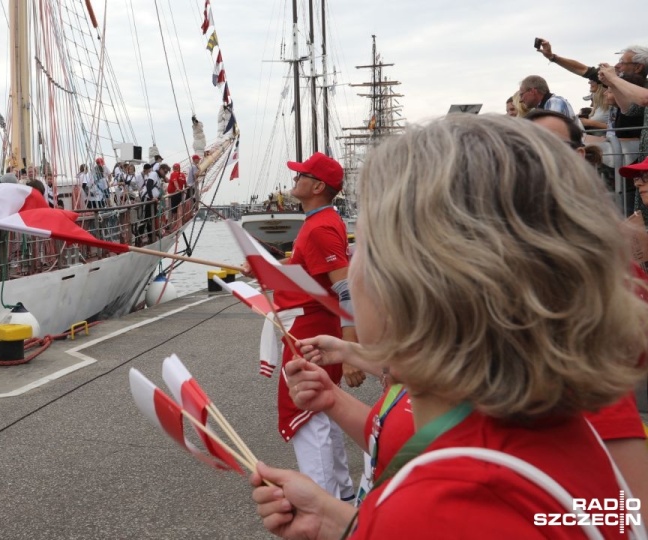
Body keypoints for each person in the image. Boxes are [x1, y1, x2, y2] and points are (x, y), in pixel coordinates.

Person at [250, 115, 648, 539]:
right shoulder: (555, 426)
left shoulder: (441, 506)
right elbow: (606, 519)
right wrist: (345, 524)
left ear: (413, 282)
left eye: (362, 243)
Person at [246, 151, 363, 500]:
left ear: (317, 185)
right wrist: (265, 266)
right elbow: (308, 267)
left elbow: (345, 290)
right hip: (309, 326)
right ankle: (340, 498)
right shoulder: (320, 221)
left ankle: (323, 503)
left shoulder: (321, 227)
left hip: (311, 331)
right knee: (322, 414)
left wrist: (352, 353)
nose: (294, 180)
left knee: (308, 413)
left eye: (301, 176)